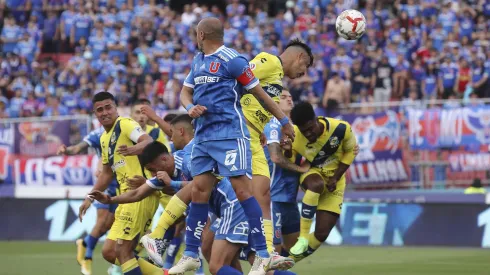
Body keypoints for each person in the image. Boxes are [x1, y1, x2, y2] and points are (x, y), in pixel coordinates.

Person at [89, 120, 296, 275]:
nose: (153, 175)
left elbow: (204, 184)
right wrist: (110, 200)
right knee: (246, 258)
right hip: (226, 210)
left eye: (153, 169)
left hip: (234, 205)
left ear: (164, 159)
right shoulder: (166, 173)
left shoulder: (189, 160)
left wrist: (174, 184)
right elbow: (137, 193)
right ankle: (158, 237)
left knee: (217, 266)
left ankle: (157, 236)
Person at [173, 17, 295, 275]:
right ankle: (191, 254)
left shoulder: (234, 60)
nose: (196, 37)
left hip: (230, 135)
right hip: (204, 137)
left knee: (243, 191)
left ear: (202, 34)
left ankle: (263, 254)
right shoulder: (198, 61)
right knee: (199, 191)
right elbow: (184, 92)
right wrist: (189, 107)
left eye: (196, 34)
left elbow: (260, 94)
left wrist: (284, 121)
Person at [240, 39, 313, 258]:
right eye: (305, 66)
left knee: (263, 195)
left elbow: (255, 99)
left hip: (253, 136)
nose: (303, 73)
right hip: (238, 133)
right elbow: (240, 76)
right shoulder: (270, 61)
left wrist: (262, 128)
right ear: (300, 57)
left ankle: (266, 252)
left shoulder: (277, 80)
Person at [78, 92, 162, 275]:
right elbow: (107, 173)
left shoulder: (125, 124)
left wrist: (133, 149)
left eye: (108, 107)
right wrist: (89, 197)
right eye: (99, 110)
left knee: (123, 252)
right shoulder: (103, 138)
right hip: (124, 198)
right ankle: (160, 273)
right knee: (109, 252)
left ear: (115, 108)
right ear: (95, 114)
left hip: (140, 193)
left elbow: (148, 141)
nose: (105, 112)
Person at [287, 102, 357, 260]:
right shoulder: (295, 134)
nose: (309, 134)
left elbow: (351, 150)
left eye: (311, 129)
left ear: (316, 119)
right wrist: (286, 150)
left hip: (336, 182)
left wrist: (336, 177)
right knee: (316, 185)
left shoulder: (340, 128)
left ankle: (287, 261)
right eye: (304, 132)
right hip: (312, 173)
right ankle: (303, 238)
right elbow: (290, 160)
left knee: (322, 233)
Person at [57, 127, 120, 275]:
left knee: (108, 226)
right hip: (105, 184)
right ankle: (87, 258)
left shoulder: (126, 128)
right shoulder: (98, 134)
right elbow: (78, 148)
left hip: (121, 185)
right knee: (102, 223)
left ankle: (84, 242)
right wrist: (67, 151)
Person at [263, 89, 309, 256]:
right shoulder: (273, 124)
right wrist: (301, 169)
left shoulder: (295, 128)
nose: (289, 99)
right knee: (273, 253)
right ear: (275, 103)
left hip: (290, 198)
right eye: (283, 97)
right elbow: (275, 158)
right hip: (273, 196)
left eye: (290, 96)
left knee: (292, 252)